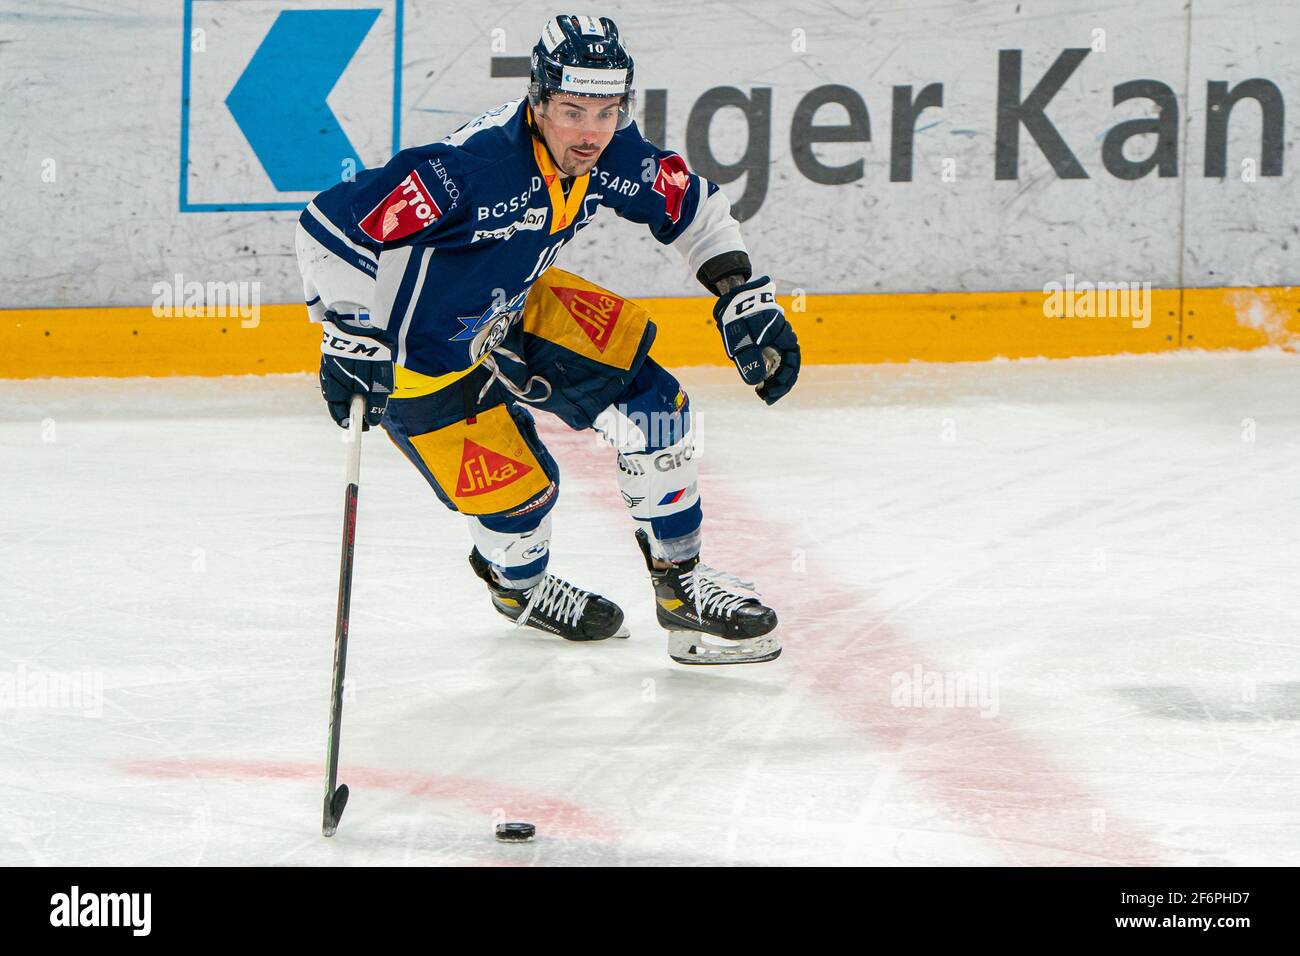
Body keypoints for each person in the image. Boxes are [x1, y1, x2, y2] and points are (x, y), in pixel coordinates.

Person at [294, 14, 800, 664]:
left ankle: (683, 590)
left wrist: (740, 293)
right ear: (537, 100)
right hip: (422, 364)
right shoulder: (467, 172)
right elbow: (332, 226)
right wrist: (349, 333)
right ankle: (519, 587)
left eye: (607, 111)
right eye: (571, 111)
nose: (589, 134)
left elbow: (694, 210)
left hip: (517, 310)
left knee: (656, 409)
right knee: (523, 502)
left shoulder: (613, 150)